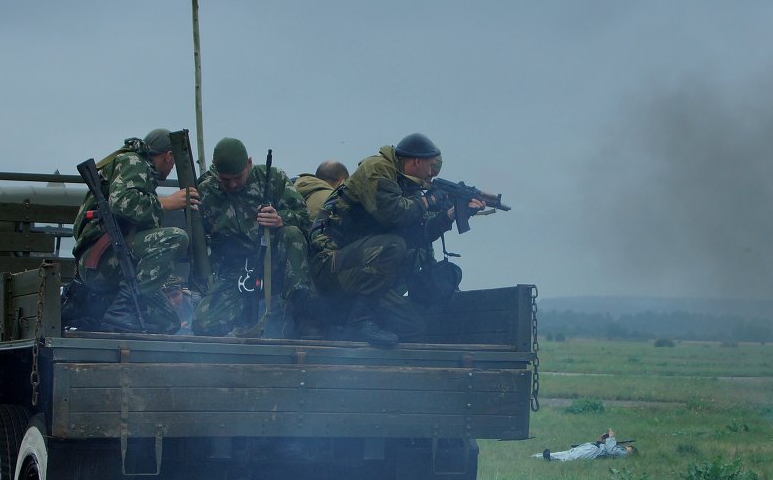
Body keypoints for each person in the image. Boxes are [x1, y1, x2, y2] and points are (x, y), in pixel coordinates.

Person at [308, 133, 483, 346]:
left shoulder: (404, 185)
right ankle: (358, 320)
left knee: (412, 327)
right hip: (330, 264)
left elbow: (416, 236)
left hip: (361, 271)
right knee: (394, 245)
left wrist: (450, 215)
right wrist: (431, 200)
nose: (430, 175)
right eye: (429, 167)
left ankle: (369, 371)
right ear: (416, 161)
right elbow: (393, 213)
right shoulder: (377, 168)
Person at [72, 128, 199, 333]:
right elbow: (121, 202)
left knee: (167, 322)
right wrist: (166, 203)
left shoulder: (141, 172)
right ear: (168, 156)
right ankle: (122, 311)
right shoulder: (133, 162)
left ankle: (110, 321)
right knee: (175, 238)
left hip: (116, 258)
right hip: (102, 258)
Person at [192, 137, 313, 337]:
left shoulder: (273, 179)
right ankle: (240, 318)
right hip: (236, 271)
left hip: (273, 262)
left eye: (238, 177)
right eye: (225, 179)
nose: (232, 184)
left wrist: (280, 219)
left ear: (249, 163)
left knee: (292, 234)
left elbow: (305, 220)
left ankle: (301, 314)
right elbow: (200, 241)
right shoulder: (206, 191)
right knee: (203, 324)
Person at [536, 430, 635, 461]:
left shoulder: (624, 453)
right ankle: (539, 457)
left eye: (628, 448)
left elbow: (610, 451)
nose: (626, 447)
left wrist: (611, 438)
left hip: (593, 451)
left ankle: (551, 460)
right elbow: (609, 448)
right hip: (590, 447)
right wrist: (604, 439)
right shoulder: (618, 450)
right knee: (566, 453)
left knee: (570, 457)